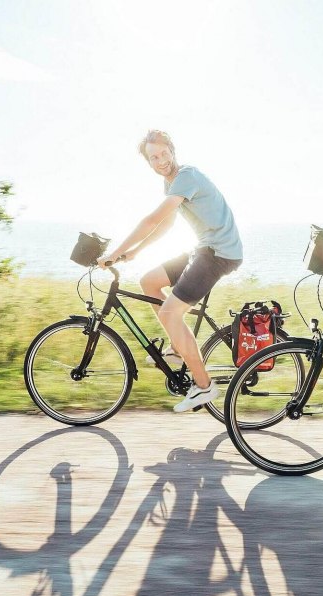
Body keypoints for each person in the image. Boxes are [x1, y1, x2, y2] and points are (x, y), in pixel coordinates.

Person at [98, 130, 243, 412]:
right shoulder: (171, 184)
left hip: (220, 253)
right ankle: (179, 348)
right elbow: (165, 224)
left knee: (169, 313)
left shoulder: (187, 175)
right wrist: (137, 251)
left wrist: (115, 252)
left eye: (164, 153)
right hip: (205, 249)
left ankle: (203, 386)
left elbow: (152, 218)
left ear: (173, 151)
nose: (161, 160)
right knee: (149, 282)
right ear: (148, 162)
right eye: (154, 157)